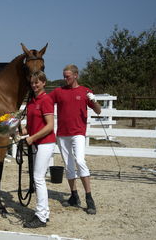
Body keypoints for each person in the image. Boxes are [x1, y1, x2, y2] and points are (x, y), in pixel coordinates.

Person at [49, 64, 101, 215]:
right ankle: (74, 195)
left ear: (76, 75)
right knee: (68, 165)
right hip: (62, 134)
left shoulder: (85, 91)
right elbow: (45, 101)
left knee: (80, 160)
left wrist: (94, 100)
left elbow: (98, 111)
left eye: (68, 76)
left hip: (78, 132)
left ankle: (89, 198)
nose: (65, 79)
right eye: (64, 76)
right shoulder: (59, 92)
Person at [21, 71, 56, 228]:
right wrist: (18, 129)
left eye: (37, 82)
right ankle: (44, 212)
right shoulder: (31, 101)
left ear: (43, 83)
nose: (34, 85)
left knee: (38, 178)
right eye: (32, 82)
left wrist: (33, 138)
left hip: (45, 143)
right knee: (38, 178)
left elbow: (49, 126)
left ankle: (41, 216)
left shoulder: (46, 100)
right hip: (36, 143)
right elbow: (30, 128)